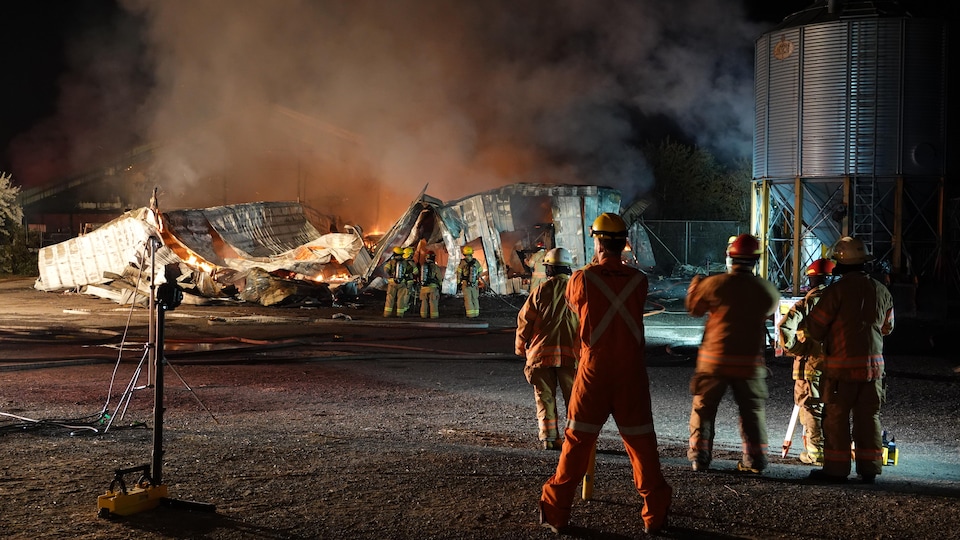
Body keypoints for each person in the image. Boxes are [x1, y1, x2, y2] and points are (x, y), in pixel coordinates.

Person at [540, 213, 671, 535]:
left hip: (593, 372)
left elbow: (576, 306)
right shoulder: (639, 281)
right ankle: (655, 515)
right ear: (624, 241)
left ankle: (557, 512)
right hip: (631, 373)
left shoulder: (581, 279)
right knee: (641, 444)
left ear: (595, 239)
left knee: (576, 441)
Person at [802, 236, 894, 484]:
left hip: (841, 372)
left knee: (836, 418)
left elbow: (815, 328)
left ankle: (837, 469)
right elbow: (888, 327)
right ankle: (869, 469)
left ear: (840, 264)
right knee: (869, 419)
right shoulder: (882, 290)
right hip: (874, 371)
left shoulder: (836, 292)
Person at [685, 233, 780, 474]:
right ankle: (756, 461)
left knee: (703, 409)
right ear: (755, 260)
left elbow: (694, 309)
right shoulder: (766, 290)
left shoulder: (714, 284)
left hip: (713, 362)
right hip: (748, 364)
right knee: (752, 412)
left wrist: (694, 288)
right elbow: (769, 310)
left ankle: (700, 458)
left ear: (730, 257)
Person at [515, 247, 579, 451]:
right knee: (574, 401)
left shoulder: (541, 291)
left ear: (549, 269)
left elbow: (525, 321)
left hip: (541, 356)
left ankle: (549, 438)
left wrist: (519, 347)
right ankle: (574, 440)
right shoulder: (578, 291)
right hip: (571, 357)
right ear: (568, 269)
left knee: (544, 397)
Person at [778, 258, 835, 466]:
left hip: (811, 366)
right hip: (839, 365)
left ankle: (816, 452)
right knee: (833, 408)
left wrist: (798, 350)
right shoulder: (842, 304)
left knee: (812, 407)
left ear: (811, 280)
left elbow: (784, 330)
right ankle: (834, 450)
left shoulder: (806, 304)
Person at [382, 246, 415, 317]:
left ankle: (387, 314)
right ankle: (400, 314)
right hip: (402, 282)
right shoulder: (405, 263)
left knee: (390, 297)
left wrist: (390, 276)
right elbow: (411, 270)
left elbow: (385, 270)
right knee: (401, 298)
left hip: (392, 282)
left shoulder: (391, 262)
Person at [456, 246, 483, 318]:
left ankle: (470, 315)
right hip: (475, 284)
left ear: (464, 254)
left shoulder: (462, 263)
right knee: (475, 298)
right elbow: (481, 271)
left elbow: (458, 273)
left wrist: (458, 283)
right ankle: (476, 314)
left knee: (468, 299)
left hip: (466, 284)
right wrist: (476, 278)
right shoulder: (476, 262)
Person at [418, 251, 443, 319]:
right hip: (433, 288)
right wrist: (440, 286)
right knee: (433, 302)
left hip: (423, 287)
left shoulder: (423, 266)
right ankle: (434, 316)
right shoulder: (435, 267)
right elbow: (439, 277)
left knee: (424, 302)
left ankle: (423, 315)